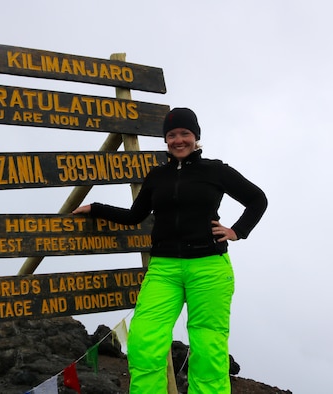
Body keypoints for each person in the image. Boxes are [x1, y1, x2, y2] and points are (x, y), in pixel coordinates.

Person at [72, 107, 267, 393]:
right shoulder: (157, 176)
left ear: (195, 137)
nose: (178, 140)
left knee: (208, 347)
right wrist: (95, 208)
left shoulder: (215, 170)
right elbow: (134, 216)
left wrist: (237, 232)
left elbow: (257, 199)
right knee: (143, 340)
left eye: (185, 134)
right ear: (166, 139)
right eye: (172, 135)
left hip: (209, 267)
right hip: (164, 269)